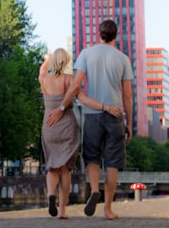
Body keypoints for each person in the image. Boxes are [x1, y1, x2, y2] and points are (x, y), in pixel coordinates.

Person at [47, 19, 133, 220]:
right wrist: (129, 122)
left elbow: (76, 86)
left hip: (92, 115)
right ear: (116, 35)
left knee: (92, 158)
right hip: (116, 115)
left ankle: (95, 189)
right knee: (112, 163)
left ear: (99, 35)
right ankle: (108, 209)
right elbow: (128, 95)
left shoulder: (86, 54)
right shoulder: (123, 59)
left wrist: (61, 107)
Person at [39, 47, 121, 219]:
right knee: (66, 169)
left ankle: (50, 195)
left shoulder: (43, 78)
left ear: (53, 62)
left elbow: (42, 68)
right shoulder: (69, 80)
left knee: (52, 167)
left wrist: (47, 58)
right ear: (67, 62)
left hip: (49, 125)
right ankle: (62, 211)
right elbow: (83, 100)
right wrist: (106, 107)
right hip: (67, 126)